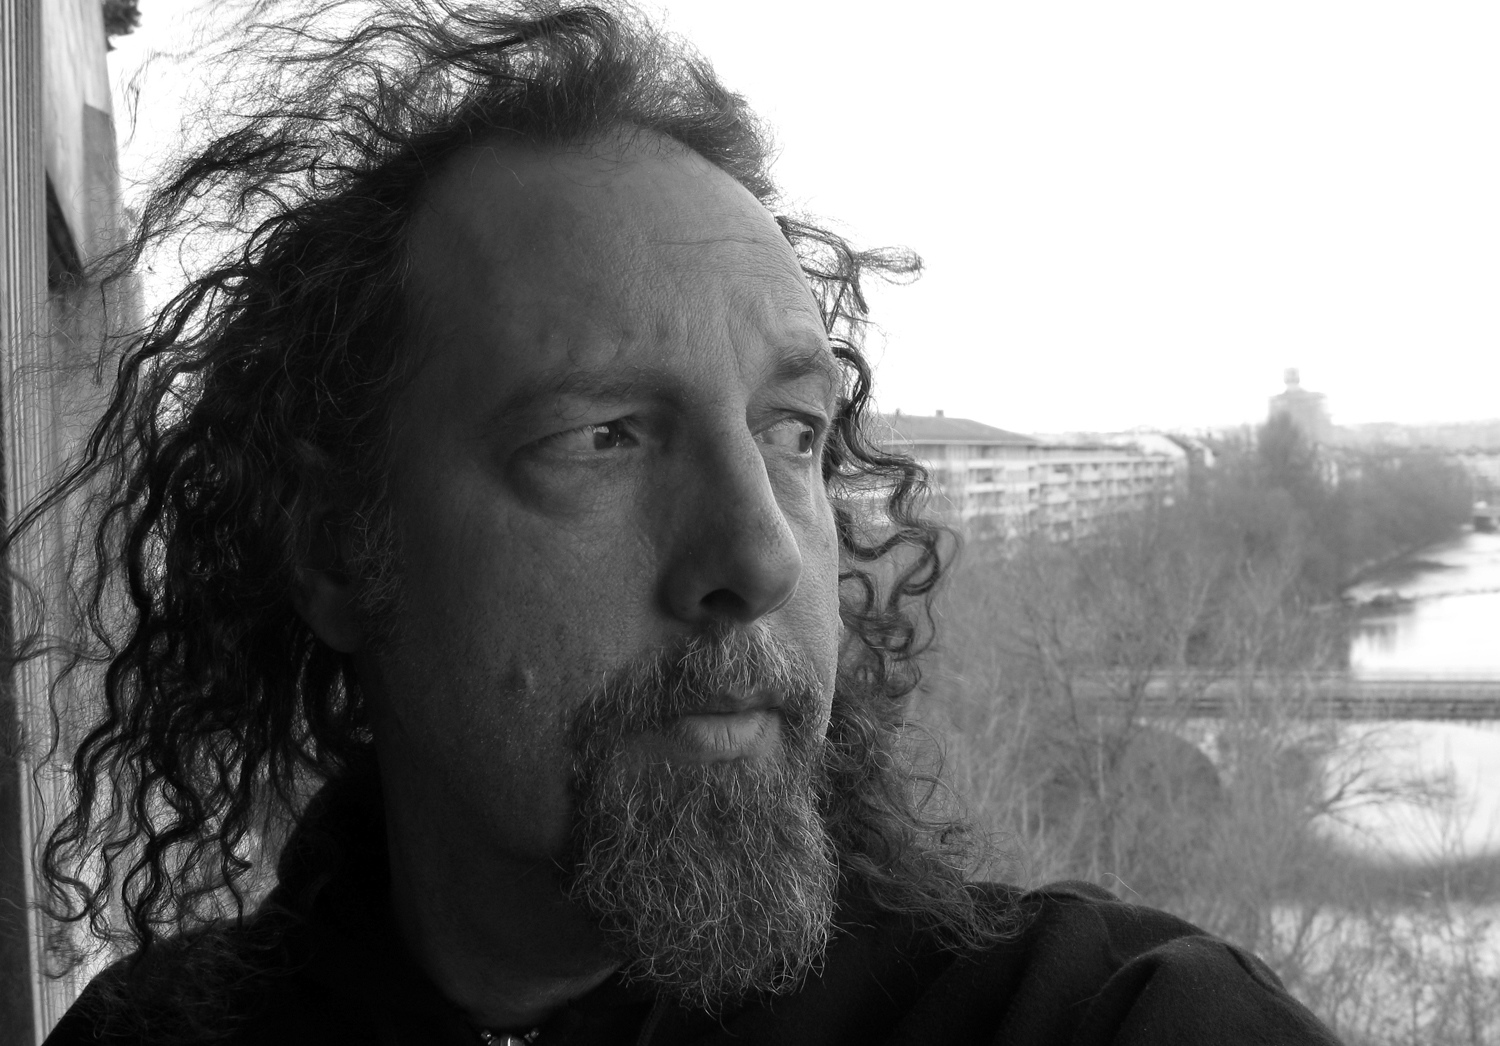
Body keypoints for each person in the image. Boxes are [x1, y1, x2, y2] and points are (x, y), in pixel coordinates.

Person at [25, 3, 1340, 1044]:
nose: (761, 556)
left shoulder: (1107, 1015)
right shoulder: (150, 1033)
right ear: (335, 545)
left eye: (794, 433)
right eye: (604, 436)